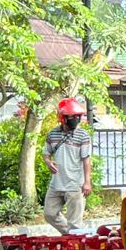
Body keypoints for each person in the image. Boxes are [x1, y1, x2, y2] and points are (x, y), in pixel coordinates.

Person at [42, 99, 93, 234]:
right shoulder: (53, 134)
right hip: (56, 184)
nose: (75, 119)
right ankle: (71, 234)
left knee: (75, 222)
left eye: (77, 116)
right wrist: (48, 162)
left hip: (75, 185)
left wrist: (87, 182)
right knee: (49, 214)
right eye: (72, 116)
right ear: (62, 118)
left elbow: (86, 161)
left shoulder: (83, 135)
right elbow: (46, 154)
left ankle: (75, 241)